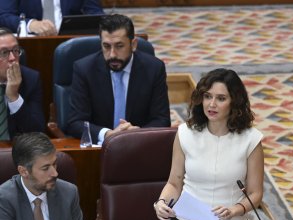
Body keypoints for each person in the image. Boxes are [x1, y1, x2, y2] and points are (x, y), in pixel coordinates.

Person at [154, 68, 264, 220]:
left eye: (221, 98)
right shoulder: (185, 133)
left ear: (235, 102)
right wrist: (162, 202)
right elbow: (174, 182)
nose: (212, 104)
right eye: (207, 96)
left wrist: (236, 209)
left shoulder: (251, 139)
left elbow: (255, 194)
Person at [67, 14, 171, 145]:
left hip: (139, 146)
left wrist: (138, 133)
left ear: (133, 45)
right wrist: (108, 134)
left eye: (119, 46)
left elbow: (162, 120)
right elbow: (75, 123)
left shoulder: (154, 68)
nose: (112, 54)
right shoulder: (84, 69)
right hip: (99, 149)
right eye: (106, 46)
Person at [0, 132, 93, 220]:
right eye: (45, 168)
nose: (55, 173)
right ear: (23, 171)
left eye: (55, 164)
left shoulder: (68, 192)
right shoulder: (5, 199)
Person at [0, 27, 45, 141]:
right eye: (4, 52)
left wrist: (14, 97)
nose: (12, 58)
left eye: (15, 50)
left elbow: (37, 133)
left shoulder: (31, 79)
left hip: (17, 153)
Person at [0, 0, 104, 36]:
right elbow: (4, 16)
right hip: (32, 43)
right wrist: (30, 24)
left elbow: (95, 12)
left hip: (70, 40)